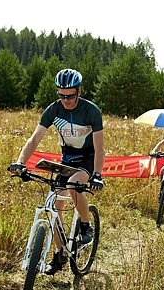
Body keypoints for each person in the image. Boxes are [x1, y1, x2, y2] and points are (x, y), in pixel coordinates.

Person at [8, 68, 105, 276]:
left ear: (79, 91)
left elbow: (99, 147)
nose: (66, 100)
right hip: (67, 157)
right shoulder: (53, 110)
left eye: (70, 95)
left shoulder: (91, 111)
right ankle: (60, 252)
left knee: (74, 184)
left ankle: (86, 226)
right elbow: (34, 139)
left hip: (87, 159)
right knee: (54, 204)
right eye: (61, 95)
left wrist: (97, 174)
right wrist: (20, 162)